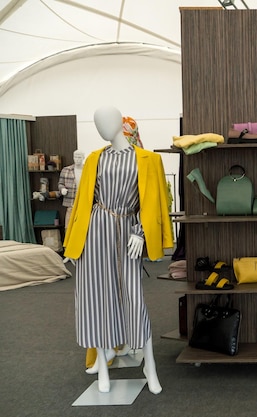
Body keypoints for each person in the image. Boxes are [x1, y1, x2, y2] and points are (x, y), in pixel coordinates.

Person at [63, 106, 173, 394]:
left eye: (106, 121)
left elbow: (154, 202)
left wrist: (140, 232)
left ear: (120, 123)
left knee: (134, 300)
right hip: (95, 234)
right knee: (96, 301)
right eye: (97, 122)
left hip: (127, 233)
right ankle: (102, 363)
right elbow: (81, 205)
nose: (101, 127)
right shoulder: (94, 159)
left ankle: (149, 364)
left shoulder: (148, 159)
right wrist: (73, 245)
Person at [58, 149, 85, 229]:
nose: (77, 159)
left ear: (83, 158)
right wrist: (62, 189)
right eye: (75, 157)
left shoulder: (87, 170)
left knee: (82, 226)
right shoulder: (66, 170)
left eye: (79, 157)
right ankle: (68, 241)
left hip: (83, 202)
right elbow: (60, 183)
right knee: (69, 226)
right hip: (70, 203)